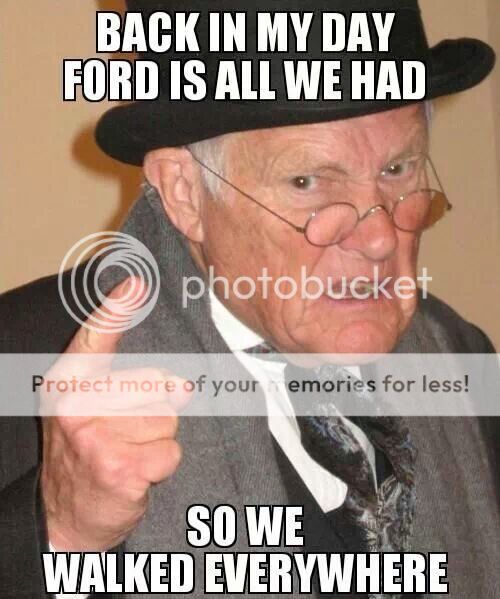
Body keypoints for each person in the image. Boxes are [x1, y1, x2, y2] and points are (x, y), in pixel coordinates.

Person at [0, 0, 498, 597]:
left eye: (398, 170)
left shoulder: (462, 355)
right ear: (184, 193)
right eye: (307, 181)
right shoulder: (21, 364)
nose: (380, 238)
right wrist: (60, 531)